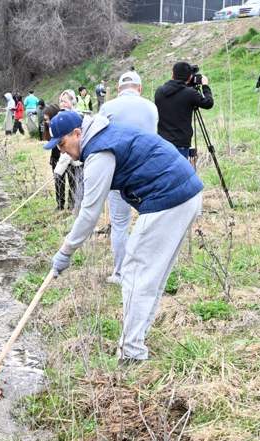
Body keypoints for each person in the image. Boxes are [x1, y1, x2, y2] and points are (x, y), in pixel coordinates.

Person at [45, 110, 203, 363]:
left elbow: (89, 213)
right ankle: (134, 345)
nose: (62, 151)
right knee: (149, 277)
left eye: (62, 144)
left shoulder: (99, 152)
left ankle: (131, 353)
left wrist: (65, 252)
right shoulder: (104, 134)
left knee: (136, 274)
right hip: (185, 193)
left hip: (169, 197)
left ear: (77, 133)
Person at [99, 70, 159, 285]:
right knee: (149, 220)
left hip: (119, 173)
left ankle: (120, 273)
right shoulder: (151, 107)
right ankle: (148, 269)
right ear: (139, 88)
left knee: (119, 224)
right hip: (147, 172)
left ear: (118, 89)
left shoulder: (107, 108)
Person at [154, 61, 214, 160]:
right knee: (179, 169)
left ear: (172, 74)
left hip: (162, 143)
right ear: (190, 77)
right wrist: (205, 86)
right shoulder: (189, 93)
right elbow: (208, 103)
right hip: (180, 144)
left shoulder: (159, 91)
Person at [44, 104, 67, 210]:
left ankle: (72, 206)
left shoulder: (63, 125)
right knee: (58, 182)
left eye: (48, 119)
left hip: (67, 156)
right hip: (55, 157)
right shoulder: (48, 128)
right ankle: (60, 205)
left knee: (72, 182)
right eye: (45, 120)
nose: (47, 122)